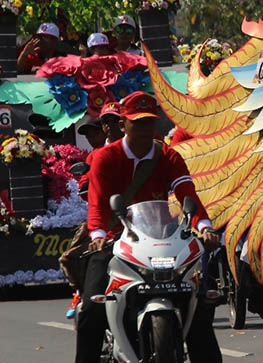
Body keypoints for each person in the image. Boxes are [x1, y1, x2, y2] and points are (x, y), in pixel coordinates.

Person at [75, 91, 222, 363]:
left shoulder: (169, 155)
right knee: (91, 309)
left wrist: (204, 227)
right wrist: (97, 236)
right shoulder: (105, 157)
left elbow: (188, 195)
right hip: (114, 240)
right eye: (138, 122)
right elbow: (96, 203)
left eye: (150, 122)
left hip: (161, 238)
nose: (145, 128)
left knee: (201, 303)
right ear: (123, 125)